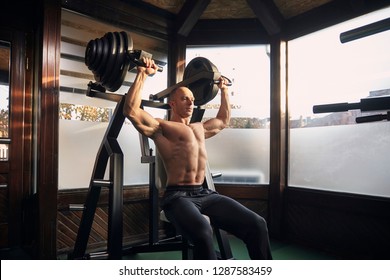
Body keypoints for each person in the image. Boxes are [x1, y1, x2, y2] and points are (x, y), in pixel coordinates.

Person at [123, 57, 272, 260]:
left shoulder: (200, 128)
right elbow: (131, 110)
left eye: (193, 99)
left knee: (257, 224)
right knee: (203, 231)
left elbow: (222, 120)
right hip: (178, 197)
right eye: (185, 98)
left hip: (205, 193)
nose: (191, 102)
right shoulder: (162, 128)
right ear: (173, 103)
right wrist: (142, 73)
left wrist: (224, 91)